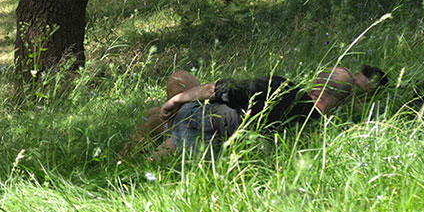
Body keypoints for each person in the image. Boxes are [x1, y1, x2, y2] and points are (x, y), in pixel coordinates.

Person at [123, 65, 387, 157]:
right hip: (218, 131)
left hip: (207, 128)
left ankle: (124, 159)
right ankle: (158, 129)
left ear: (318, 82)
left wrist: (176, 101)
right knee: (161, 112)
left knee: (166, 105)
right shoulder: (328, 128)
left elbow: (220, 88)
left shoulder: (284, 88)